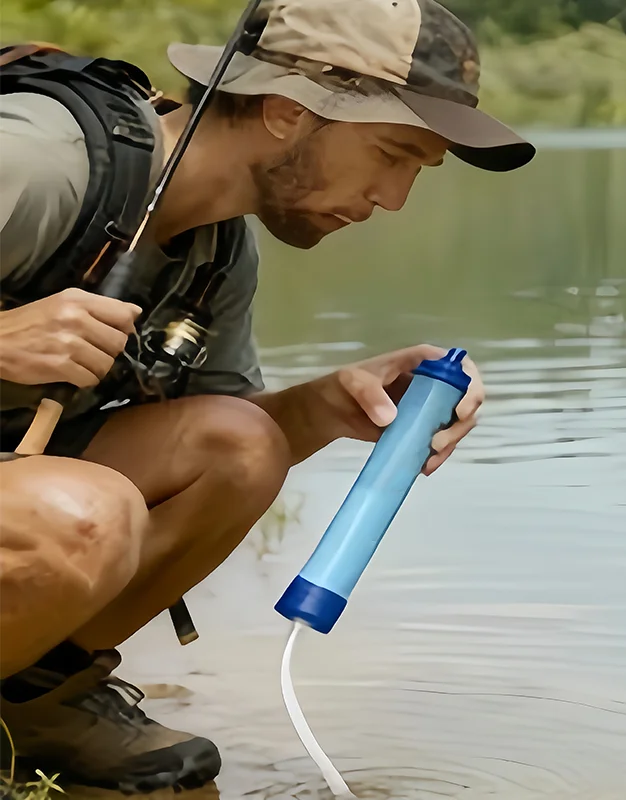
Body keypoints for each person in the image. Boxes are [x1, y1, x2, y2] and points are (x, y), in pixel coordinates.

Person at [0, 0, 535, 793]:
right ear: (288, 111)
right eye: (392, 153)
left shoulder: (217, 254)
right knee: (85, 515)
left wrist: (325, 408)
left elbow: (215, 448)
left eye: (418, 170)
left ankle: (34, 700)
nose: (393, 199)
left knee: (240, 445)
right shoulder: (38, 162)